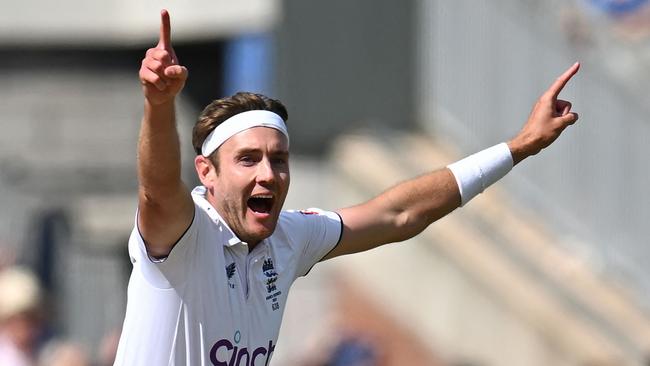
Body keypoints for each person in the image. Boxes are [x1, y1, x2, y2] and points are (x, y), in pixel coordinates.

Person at [114, 9, 580, 366]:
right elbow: (156, 190)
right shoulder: (185, 236)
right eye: (248, 159)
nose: (267, 174)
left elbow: (399, 214)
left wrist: (517, 148)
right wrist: (158, 106)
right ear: (206, 173)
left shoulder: (289, 239)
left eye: (278, 159)